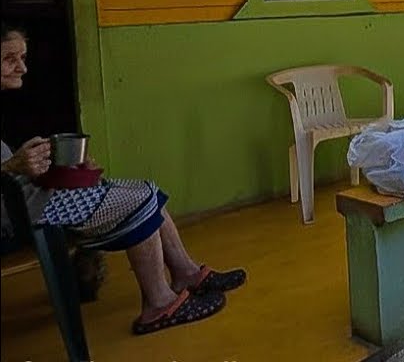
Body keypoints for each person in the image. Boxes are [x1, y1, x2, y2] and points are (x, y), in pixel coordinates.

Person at [0, 25, 246, 334]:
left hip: (28, 199)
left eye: (23, 58)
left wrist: (60, 170)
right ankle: (158, 304)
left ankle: (187, 273)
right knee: (137, 200)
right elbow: (8, 176)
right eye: (9, 59)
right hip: (15, 215)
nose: (22, 67)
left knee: (148, 190)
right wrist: (13, 165)